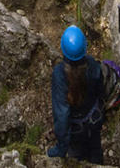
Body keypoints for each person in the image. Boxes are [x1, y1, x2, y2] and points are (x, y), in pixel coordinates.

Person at [47, 26, 112, 163]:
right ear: (84, 48)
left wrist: (61, 148)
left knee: (77, 158)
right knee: (95, 152)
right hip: (94, 121)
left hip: (75, 130)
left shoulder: (60, 75)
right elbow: (100, 92)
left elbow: (62, 114)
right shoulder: (93, 65)